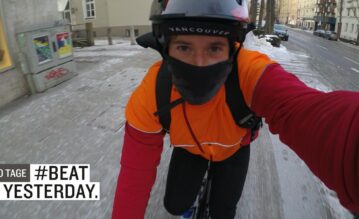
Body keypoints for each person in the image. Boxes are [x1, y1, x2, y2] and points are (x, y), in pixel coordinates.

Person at [112, 0, 359, 218]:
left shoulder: (249, 71)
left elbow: (311, 114)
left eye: (215, 48)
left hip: (233, 151)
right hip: (190, 149)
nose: (199, 64)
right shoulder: (155, 90)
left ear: (233, 48)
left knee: (223, 212)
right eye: (184, 47)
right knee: (175, 205)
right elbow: (135, 176)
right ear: (165, 47)